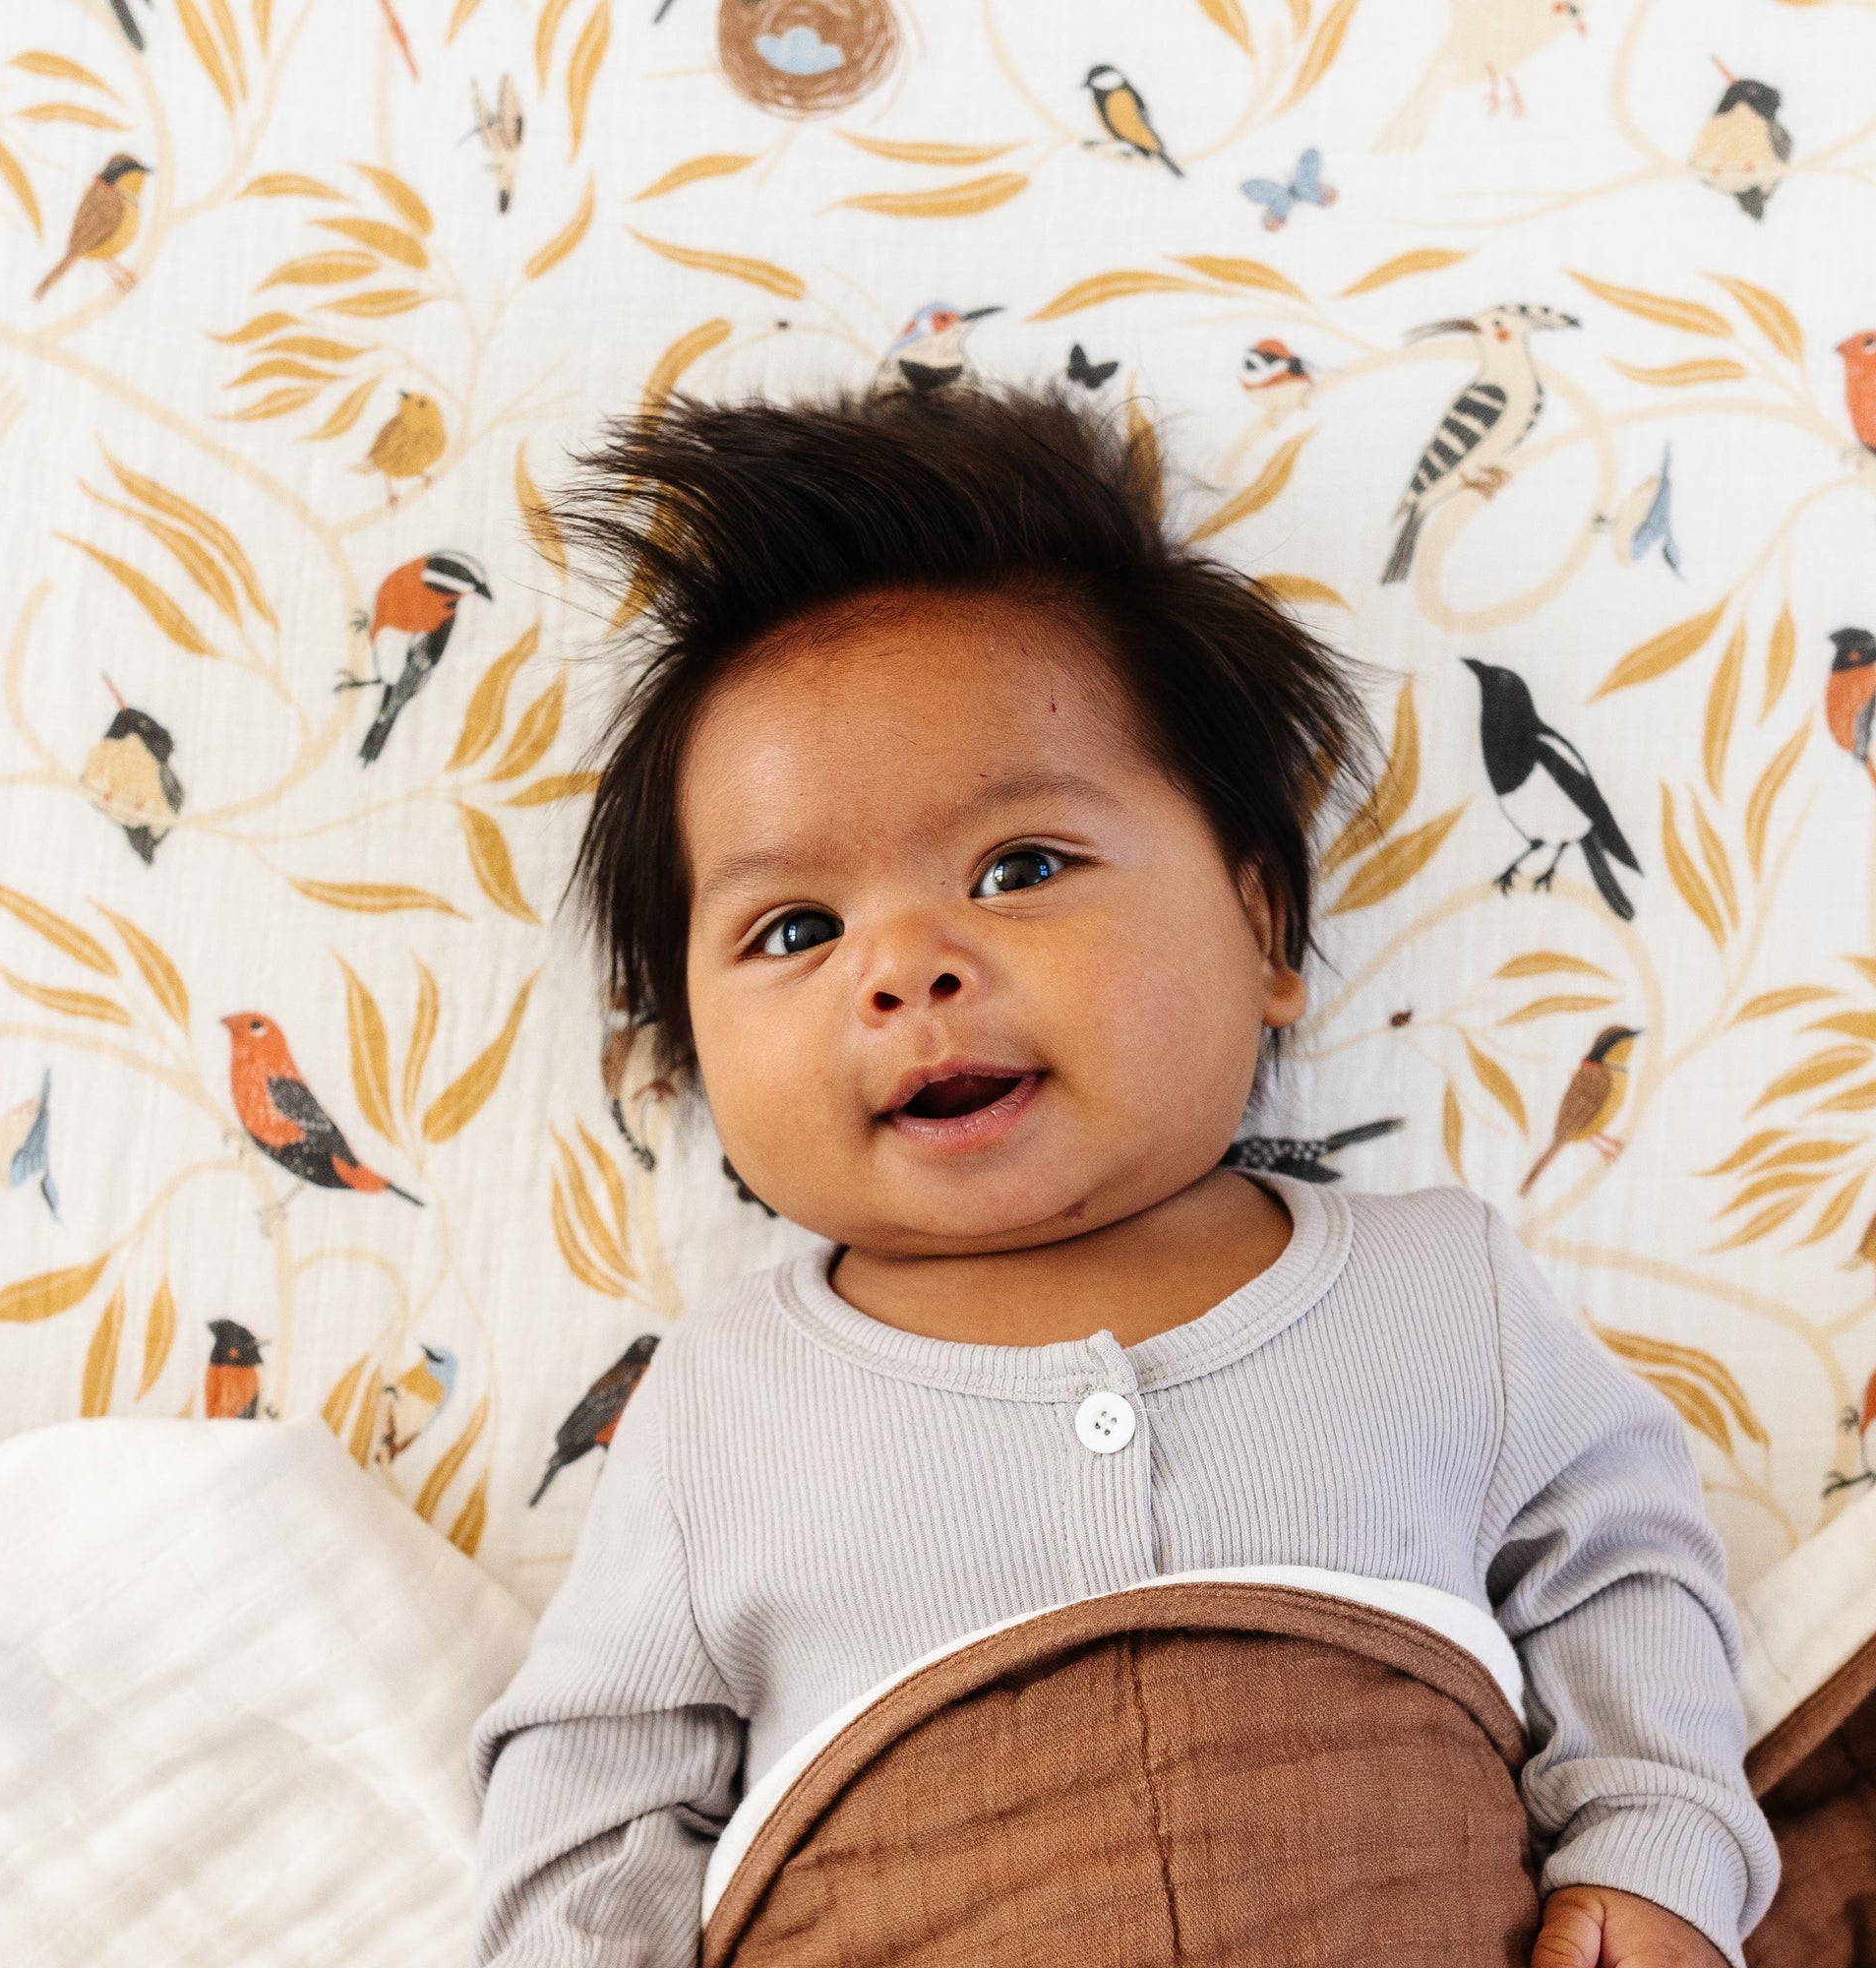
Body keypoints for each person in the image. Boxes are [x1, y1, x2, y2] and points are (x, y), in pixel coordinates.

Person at [469, 383, 1777, 1967]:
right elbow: (593, 1791)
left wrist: (1662, 1843)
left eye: (1020, 869)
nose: (905, 968)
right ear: (685, 1056)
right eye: (794, 930)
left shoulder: (1440, 1290)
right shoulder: (718, 1404)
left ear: (1264, 931)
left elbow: (1625, 1576)